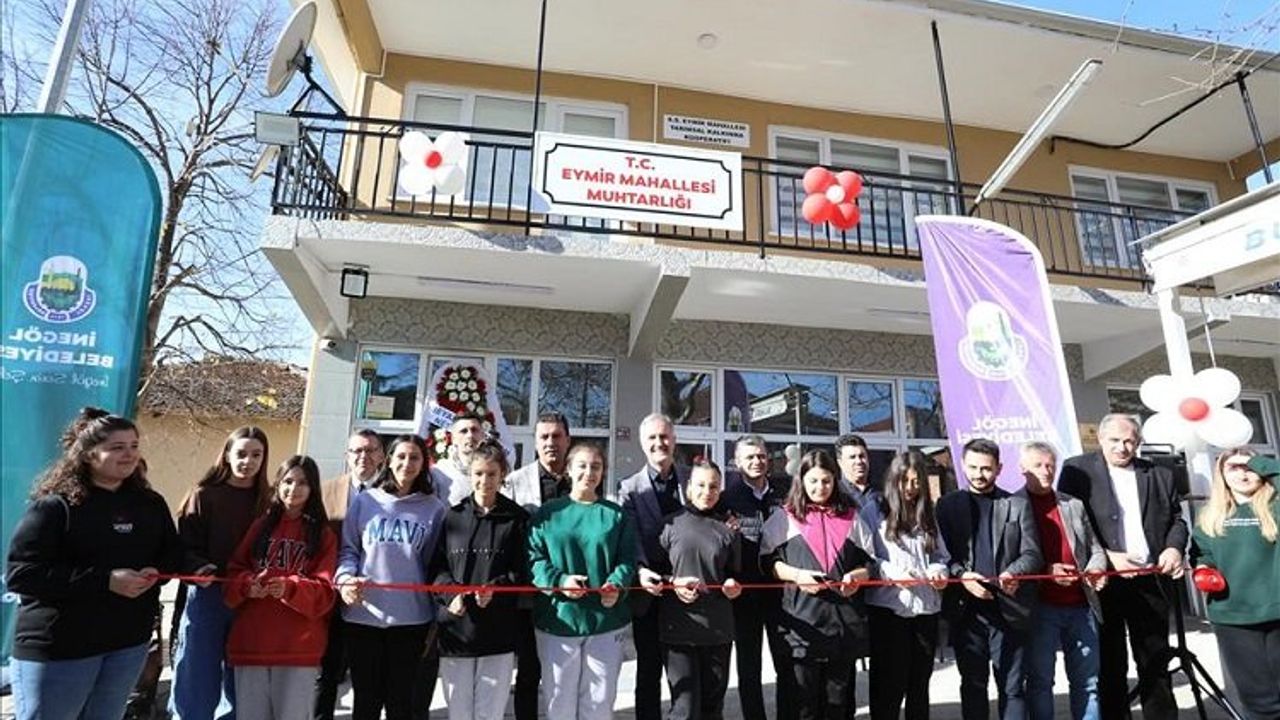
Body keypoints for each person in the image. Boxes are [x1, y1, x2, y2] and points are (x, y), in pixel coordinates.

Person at [7, 408, 182, 720]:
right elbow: (23, 575)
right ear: (88, 454)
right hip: (61, 649)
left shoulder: (150, 504)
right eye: (117, 447)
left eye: (134, 446)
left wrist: (160, 572)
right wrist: (105, 581)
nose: (129, 454)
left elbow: (170, 554)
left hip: (127, 645)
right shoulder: (55, 507)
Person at [1059, 414, 1188, 720]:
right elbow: (1069, 525)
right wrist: (1106, 556)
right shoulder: (1077, 470)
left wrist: (1174, 547)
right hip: (1105, 581)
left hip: (1150, 580)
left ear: (1138, 442)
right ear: (1100, 439)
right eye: (1114, 440)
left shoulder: (1159, 474)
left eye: (1129, 441)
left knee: (1155, 660)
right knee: (1110, 663)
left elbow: (1177, 520)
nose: (1122, 447)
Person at [335, 434, 447, 720]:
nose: (407, 463)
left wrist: (437, 614)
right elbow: (348, 550)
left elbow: (435, 565)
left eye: (414, 457)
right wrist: (345, 580)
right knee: (366, 703)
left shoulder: (434, 508)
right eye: (401, 456)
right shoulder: (366, 501)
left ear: (424, 464)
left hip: (411, 621)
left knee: (401, 704)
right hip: (363, 617)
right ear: (388, 460)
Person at [760, 449, 877, 720]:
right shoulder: (784, 518)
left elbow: (871, 563)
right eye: (813, 481)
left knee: (838, 704)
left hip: (842, 627)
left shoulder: (852, 517)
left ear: (835, 480)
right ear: (801, 481)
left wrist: (858, 576)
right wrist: (797, 575)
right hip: (802, 627)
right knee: (801, 705)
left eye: (826, 481)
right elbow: (767, 563)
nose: (820, 487)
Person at [527, 441, 638, 719]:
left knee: (599, 704)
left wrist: (616, 585)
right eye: (582, 466)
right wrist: (560, 581)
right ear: (568, 469)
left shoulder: (616, 515)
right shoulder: (548, 514)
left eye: (596, 467)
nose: (589, 472)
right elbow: (533, 559)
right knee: (559, 702)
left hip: (605, 621)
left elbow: (627, 559)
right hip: (559, 620)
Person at [936, 438, 1042, 720]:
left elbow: (1032, 553)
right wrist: (961, 576)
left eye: (985, 468)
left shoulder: (1017, 504)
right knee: (973, 685)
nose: (978, 474)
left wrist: (1013, 571)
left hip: (1009, 607)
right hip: (966, 611)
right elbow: (941, 556)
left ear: (999, 469)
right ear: (962, 465)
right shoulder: (946, 505)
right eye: (972, 467)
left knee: (1012, 687)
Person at [171, 426, 273, 720]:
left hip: (250, 599)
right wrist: (197, 567)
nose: (248, 461)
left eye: (256, 455)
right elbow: (184, 547)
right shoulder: (203, 495)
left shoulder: (269, 501)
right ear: (227, 455)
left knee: (240, 680)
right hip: (209, 596)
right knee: (197, 676)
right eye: (241, 454)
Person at [225, 455, 338, 720]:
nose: (293, 488)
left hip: (299, 648)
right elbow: (233, 573)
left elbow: (325, 592)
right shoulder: (259, 526)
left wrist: (290, 589)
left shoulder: (323, 534)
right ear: (277, 484)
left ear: (313, 489)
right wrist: (248, 586)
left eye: (302, 483)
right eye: (288, 481)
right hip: (252, 644)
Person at [430, 439, 530, 720]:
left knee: (490, 713)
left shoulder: (517, 518)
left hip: (498, 631)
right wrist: (451, 595)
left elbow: (523, 570)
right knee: (459, 712)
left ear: (502, 475)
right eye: (478, 473)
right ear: (469, 474)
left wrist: (496, 589)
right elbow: (437, 568)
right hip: (456, 631)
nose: (484, 481)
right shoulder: (452, 516)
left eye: (491, 474)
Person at [639, 460, 742, 720]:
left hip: (717, 630)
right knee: (684, 709)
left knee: (712, 708)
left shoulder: (728, 530)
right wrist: (672, 582)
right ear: (688, 488)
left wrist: (732, 585)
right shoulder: (669, 525)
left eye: (713, 486)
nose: (707, 491)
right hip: (678, 630)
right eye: (700, 485)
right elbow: (650, 572)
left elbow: (735, 573)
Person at [1017, 442, 1107, 720]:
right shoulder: (1011, 505)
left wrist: (1096, 569)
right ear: (1023, 469)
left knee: (1088, 682)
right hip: (1040, 607)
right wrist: (1046, 570)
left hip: (1081, 605)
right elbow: (1011, 557)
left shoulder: (1073, 504)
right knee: (1040, 682)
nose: (1046, 471)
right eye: (1038, 465)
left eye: (1050, 465)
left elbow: (1095, 548)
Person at [1190, 450, 1280, 720]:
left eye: (1248, 467)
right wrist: (1203, 569)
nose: (1242, 473)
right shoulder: (1209, 516)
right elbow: (1202, 555)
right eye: (1233, 468)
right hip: (1233, 617)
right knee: (1258, 701)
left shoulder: (1275, 507)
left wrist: (1257, 462)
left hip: (1276, 612)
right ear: (1221, 475)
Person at [864, 450, 949, 720]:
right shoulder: (875, 509)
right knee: (889, 684)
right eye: (905, 481)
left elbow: (940, 555)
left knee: (919, 682)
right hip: (889, 609)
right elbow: (865, 557)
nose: (911, 488)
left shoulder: (928, 512)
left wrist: (938, 570)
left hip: (925, 608)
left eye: (916, 482)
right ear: (893, 480)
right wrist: (891, 572)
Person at [719, 435, 795, 720]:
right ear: (738, 462)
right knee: (749, 668)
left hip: (782, 592)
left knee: (786, 662)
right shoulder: (727, 499)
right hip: (745, 595)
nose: (756, 461)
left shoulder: (786, 492)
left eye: (761, 456)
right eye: (749, 457)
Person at [501, 411, 572, 720]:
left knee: (566, 674)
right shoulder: (515, 482)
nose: (550, 442)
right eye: (544, 437)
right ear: (536, 441)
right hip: (529, 595)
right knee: (529, 671)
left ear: (568, 440)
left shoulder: (581, 477)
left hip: (572, 595)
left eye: (557, 436)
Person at [618, 413, 688, 720]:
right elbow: (629, 535)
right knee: (648, 670)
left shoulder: (692, 478)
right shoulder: (629, 488)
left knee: (684, 671)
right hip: (648, 591)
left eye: (664, 436)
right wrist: (640, 569)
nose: (659, 443)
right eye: (652, 437)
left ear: (674, 439)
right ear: (641, 442)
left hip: (686, 590)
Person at [315, 430, 385, 720]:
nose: (363, 457)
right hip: (330, 596)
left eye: (370, 450)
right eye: (356, 451)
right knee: (326, 672)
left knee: (367, 678)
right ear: (347, 456)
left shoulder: (392, 494)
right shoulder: (326, 491)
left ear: (381, 456)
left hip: (373, 598)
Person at [432, 411, 487, 506]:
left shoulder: (493, 470)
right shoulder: (439, 472)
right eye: (464, 431)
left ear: (483, 436)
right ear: (453, 439)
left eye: (474, 430)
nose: (470, 435)